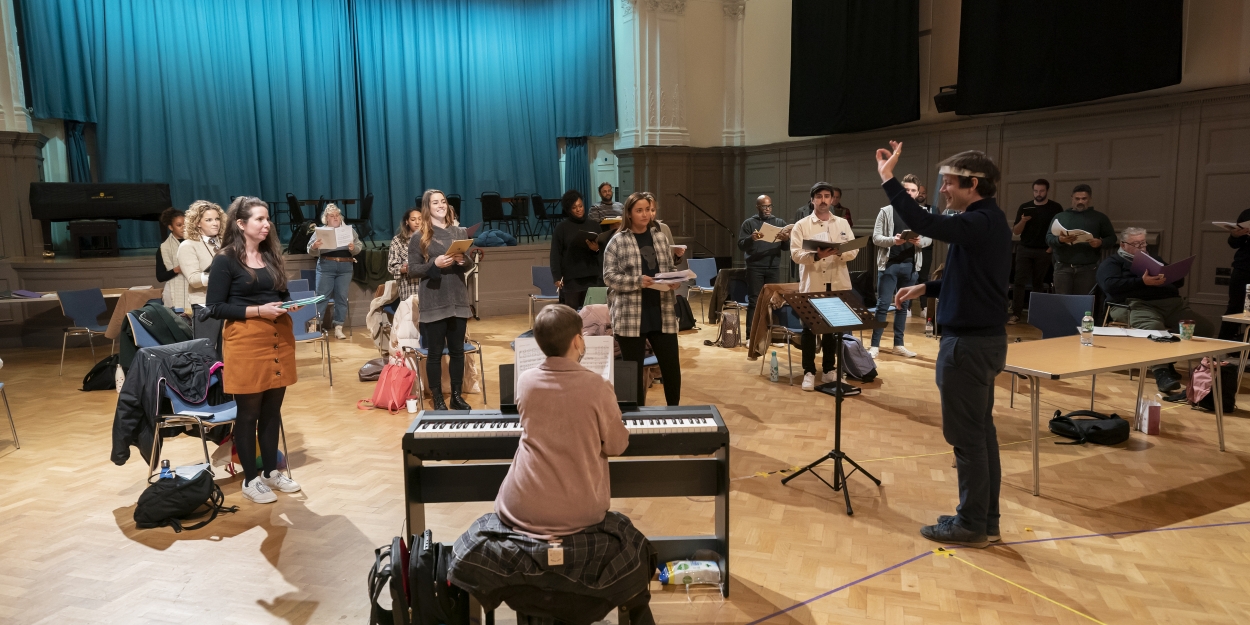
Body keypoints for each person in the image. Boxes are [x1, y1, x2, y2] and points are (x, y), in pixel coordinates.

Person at [883, 142, 1011, 549]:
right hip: (984, 342)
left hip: (968, 347)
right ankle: (985, 520)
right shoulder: (990, 220)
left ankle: (971, 523)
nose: (942, 190)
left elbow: (926, 223)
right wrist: (929, 285)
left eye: (948, 183)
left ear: (972, 185)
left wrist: (888, 179)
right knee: (981, 434)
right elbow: (975, 277)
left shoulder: (978, 221)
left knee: (967, 439)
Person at [495, 303, 630, 536]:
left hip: (520, 505)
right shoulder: (598, 386)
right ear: (578, 341)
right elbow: (617, 446)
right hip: (579, 510)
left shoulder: (525, 381)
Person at [205, 197, 301, 504]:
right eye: (259, 219)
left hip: (278, 337)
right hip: (245, 341)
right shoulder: (226, 259)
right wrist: (258, 311)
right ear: (241, 224)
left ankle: (271, 473)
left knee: (272, 412)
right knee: (248, 414)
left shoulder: (271, 254)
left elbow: (281, 293)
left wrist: (290, 304)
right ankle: (250, 480)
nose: (266, 223)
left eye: (267, 218)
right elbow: (215, 307)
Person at [1097, 227, 1208, 393]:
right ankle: (1161, 373)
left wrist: (1170, 276)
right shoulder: (1113, 262)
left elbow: (1178, 283)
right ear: (1123, 244)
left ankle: (1176, 362)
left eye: (1143, 243)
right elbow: (1109, 285)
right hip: (1134, 304)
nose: (1141, 247)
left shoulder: (1154, 259)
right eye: (1136, 244)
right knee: (1154, 328)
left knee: (1204, 327)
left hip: (1169, 304)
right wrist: (1142, 282)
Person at [603, 191, 682, 406]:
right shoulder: (617, 241)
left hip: (661, 311)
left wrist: (674, 279)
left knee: (671, 367)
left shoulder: (660, 237)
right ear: (629, 213)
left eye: (648, 209)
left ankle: (674, 411)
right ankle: (636, 415)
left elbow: (669, 268)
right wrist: (638, 281)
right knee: (633, 371)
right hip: (630, 314)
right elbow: (609, 277)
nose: (645, 214)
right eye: (639, 210)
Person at [407, 189, 476, 410]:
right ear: (428, 207)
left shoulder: (459, 232)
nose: (441, 205)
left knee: (457, 351)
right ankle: (437, 398)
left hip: (458, 298)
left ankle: (456, 395)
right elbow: (413, 270)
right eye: (435, 202)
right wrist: (433, 265)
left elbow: (469, 265)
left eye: (443, 201)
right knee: (435, 354)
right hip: (434, 300)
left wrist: (462, 259)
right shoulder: (419, 236)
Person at [790, 181, 858, 392]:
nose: (823, 200)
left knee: (832, 330)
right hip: (813, 283)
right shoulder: (802, 225)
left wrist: (839, 252)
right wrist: (816, 255)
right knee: (810, 329)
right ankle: (809, 371)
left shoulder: (842, 223)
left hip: (837, 281)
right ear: (812, 200)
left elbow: (853, 249)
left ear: (832, 199)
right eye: (819, 196)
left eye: (827, 196)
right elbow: (795, 254)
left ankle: (829, 368)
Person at [870, 174, 931, 359]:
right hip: (889, 264)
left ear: (917, 193)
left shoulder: (922, 213)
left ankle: (899, 344)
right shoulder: (886, 211)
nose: (910, 193)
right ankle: (874, 346)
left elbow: (929, 238)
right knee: (882, 306)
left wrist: (919, 241)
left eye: (913, 190)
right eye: (906, 190)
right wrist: (893, 241)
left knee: (903, 306)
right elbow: (876, 237)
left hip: (910, 266)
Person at [1009, 179, 1064, 324]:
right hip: (1025, 248)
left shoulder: (1055, 208)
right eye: (1036, 191)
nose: (1038, 194)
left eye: (1041, 191)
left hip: (1043, 250)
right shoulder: (1025, 207)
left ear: (1047, 191)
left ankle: (1037, 315)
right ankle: (1015, 313)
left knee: (1038, 283)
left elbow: (1059, 230)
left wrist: (1050, 249)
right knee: (1019, 282)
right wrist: (1023, 221)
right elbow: (1016, 231)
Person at [1045, 184, 1115, 296]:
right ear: (1072, 198)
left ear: (1090, 199)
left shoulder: (1100, 218)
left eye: (1084, 198)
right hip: (1063, 267)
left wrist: (1100, 242)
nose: (1080, 201)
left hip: (1087, 268)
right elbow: (1048, 238)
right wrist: (1060, 240)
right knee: (1062, 302)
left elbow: (1112, 239)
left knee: (1083, 303)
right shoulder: (1060, 217)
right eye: (1077, 199)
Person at [737, 195, 792, 334]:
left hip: (773, 267)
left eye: (769, 206)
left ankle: (772, 334)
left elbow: (786, 248)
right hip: (754, 267)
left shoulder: (779, 222)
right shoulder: (749, 223)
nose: (767, 209)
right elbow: (741, 245)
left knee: (773, 301)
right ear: (757, 207)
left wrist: (786, 239)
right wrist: (752, 238)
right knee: (755, 301)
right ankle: (751, 335)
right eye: (764, 206)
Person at [307, 203, 362, 339]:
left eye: (337, 215)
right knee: (321, 297)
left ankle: (338, 327)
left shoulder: (349, 230)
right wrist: (314, 246)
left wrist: (353, 248)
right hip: (326, 265)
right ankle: (314, 326)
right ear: (327, 218)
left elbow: (359, 246)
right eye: (332, 216)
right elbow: (310, 250)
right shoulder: (320, 231)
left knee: (342, 297)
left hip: (345, 267)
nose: (335, 217)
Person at [550, 190, 602, 309]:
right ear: (569, 210)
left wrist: (596, 249)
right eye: (574, 207)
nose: (579, 209)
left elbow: (603, 252)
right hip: (571, 278)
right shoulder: (561, 228)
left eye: (581, 206)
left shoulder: (594, 225)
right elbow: (555, 254)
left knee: (592, 311)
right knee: (571, 313)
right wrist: (557, 277)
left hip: (592, 276)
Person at [178, 201, 224, 309]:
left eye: (217, 219)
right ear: (197, 223)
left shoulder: (225, 242)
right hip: (204, 304)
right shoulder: (188, 245)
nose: (215, 223)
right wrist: (223, 277)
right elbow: (193, 280)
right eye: (209, 220)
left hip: (228, 302)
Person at [1220, 208, 1250, 341]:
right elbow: (1234, 244)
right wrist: (1235, 235)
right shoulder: (1247, 214)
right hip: (1244, 268)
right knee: (1234, 308)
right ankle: (1220, 350)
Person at [387, 208, 423, 301]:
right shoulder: (398, 240)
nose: (417, 222)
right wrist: (405, 269)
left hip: (426, 284)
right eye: (413, 219)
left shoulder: (429, 238)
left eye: (420, 219)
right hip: (408, 286)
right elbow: (392, 266)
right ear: (407, 222)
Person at [156, 208, 187, 310]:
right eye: (179, 225)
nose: (183, 227)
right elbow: (160, 277)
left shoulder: (195, 243)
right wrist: (176, 270)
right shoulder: (164, 248)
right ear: (170, 227)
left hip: (195, 291)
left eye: (185, 224)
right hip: (173, 292)